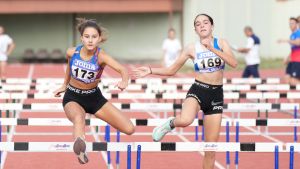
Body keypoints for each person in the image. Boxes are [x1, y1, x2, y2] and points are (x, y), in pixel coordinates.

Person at [132, 14, 237, 169]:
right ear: (195, 29)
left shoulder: (221, 43)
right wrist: (150, 69)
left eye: (205, 22)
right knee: (186, 119)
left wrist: (212, 48)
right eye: (198, 24)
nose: (202, 25)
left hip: (216, 95)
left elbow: (234, 63)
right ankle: (170, 124)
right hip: (198, 90)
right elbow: (171, 70)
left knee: (211, 149)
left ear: (212, 26)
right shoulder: (191, 48)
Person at [53, 18, 134, 164]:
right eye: (87, 37)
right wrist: (64, 84)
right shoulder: (71, 52)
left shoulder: (101, 56)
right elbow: (69, 68)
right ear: (82, 38)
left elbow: (123, 70)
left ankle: (81, 143)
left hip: (94, 98)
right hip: (73, 96)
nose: (90, 40)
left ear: (99, 39)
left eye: (94, 37)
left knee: (129, 129)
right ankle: (80, 148)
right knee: (79, 118)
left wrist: (124, 81)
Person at [278, 17, 300, 85]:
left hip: (298, 60)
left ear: (296, 24)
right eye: (289, 24)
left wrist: (285, 40)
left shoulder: (298, 33)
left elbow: (298, 42)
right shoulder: (292, 35)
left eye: (292, 23)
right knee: (287, 78)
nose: (290, 25)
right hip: (292, 60)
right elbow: (293, 50)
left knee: (293, 81)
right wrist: (287, 59)